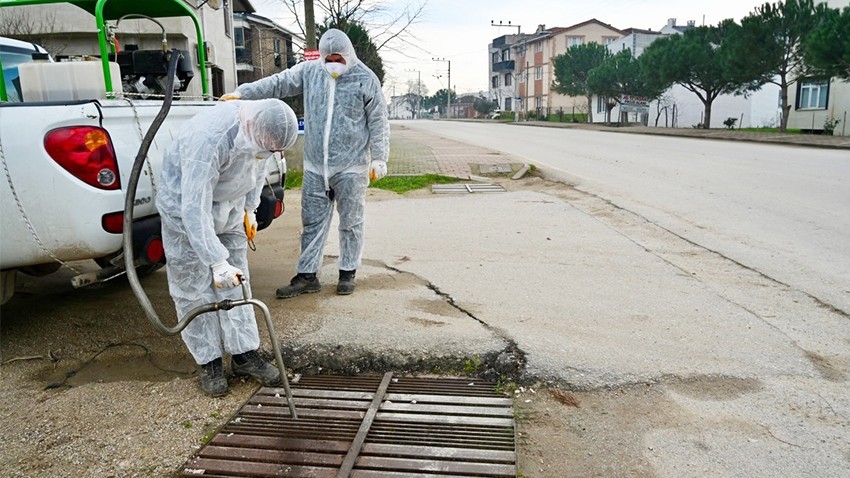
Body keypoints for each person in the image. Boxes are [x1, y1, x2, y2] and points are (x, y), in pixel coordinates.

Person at [221, 28, 390, 299]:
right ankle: (307, 275)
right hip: (315, 166)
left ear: (349, 55)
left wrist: (380, 157)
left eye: (339, 58)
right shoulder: (310, 72)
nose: (333, 63)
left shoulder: (366, 79)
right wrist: (244, 93)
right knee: (312, 222)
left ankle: (348, 272)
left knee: (351, 221)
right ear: (322, 56)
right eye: (329, 58)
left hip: (352, 166)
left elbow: (379, 120)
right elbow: (278, 83)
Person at [156, 99, 299, 397]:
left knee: (236, 283)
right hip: (187, 214)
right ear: (252, 128)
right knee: (193, 287)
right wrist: (216, 261)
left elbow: (256, 168)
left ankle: (244, 354)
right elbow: (193, 208)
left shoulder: (259, 131)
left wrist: (249, 209)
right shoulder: (209, 139)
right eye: (269, 147)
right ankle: (208, 361)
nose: (270, 152)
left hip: (230, 208)